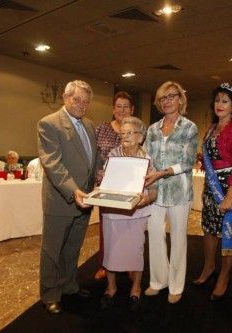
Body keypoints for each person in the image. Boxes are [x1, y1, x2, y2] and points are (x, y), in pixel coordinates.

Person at [37, 79, 99, 315]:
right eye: (77, 100)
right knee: (52, 250)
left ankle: (69, 285)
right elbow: (53, 164)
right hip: (62, 199)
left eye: (85, 101)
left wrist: (103, 177)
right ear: (65, 97)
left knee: (73, 248)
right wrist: (73, 190)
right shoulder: (49, 124)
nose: (82, 105)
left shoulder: (90, 125)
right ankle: (50, 294)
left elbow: (94, 161)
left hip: (85, 200)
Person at [192, 83, 232, 302]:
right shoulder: (211, 127)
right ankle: (208, 268)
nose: (220, 104)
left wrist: (230, 195)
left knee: (228, 231)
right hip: (211, 186)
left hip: (229, 188)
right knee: (208, 228)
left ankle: (224, 276)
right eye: (217, 100)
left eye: (225, 101)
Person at [143, 81, 198, 304]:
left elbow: (188, 161)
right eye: (163, 98)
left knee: (178, 239)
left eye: (171, 96)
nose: (167, 101)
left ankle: (176, 285)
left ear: (180, 100)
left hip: (179, 192)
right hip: (155, 192)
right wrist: (147, 173)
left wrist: (161, 173)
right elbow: (146, 157)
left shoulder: (189, 127)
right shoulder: (152, 129)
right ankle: (158, 281)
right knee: (154, 235)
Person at [99, 116, 157, 312]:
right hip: (113, 211)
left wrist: (147, 199)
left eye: (130, 133)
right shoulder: (113, 155)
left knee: (136, 250)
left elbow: (155, 189)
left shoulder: (147, 158)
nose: (125, 137)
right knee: (111, 249)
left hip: (136, 211)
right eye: (122, 133)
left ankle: (136, 287)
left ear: (140, 137)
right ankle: (111, 286)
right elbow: (105, 183)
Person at [94, 91, 135, 280]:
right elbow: (94, 156)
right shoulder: (101, 128)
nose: (122, 110)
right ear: (113, 109)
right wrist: (97, 176)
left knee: (127, 228)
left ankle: (126, 263)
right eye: (118, 106)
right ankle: (104, 264)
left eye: (126, 106)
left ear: (132, 110)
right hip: (106, 187)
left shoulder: (136, 131)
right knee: (106, 228)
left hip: (129, 187)